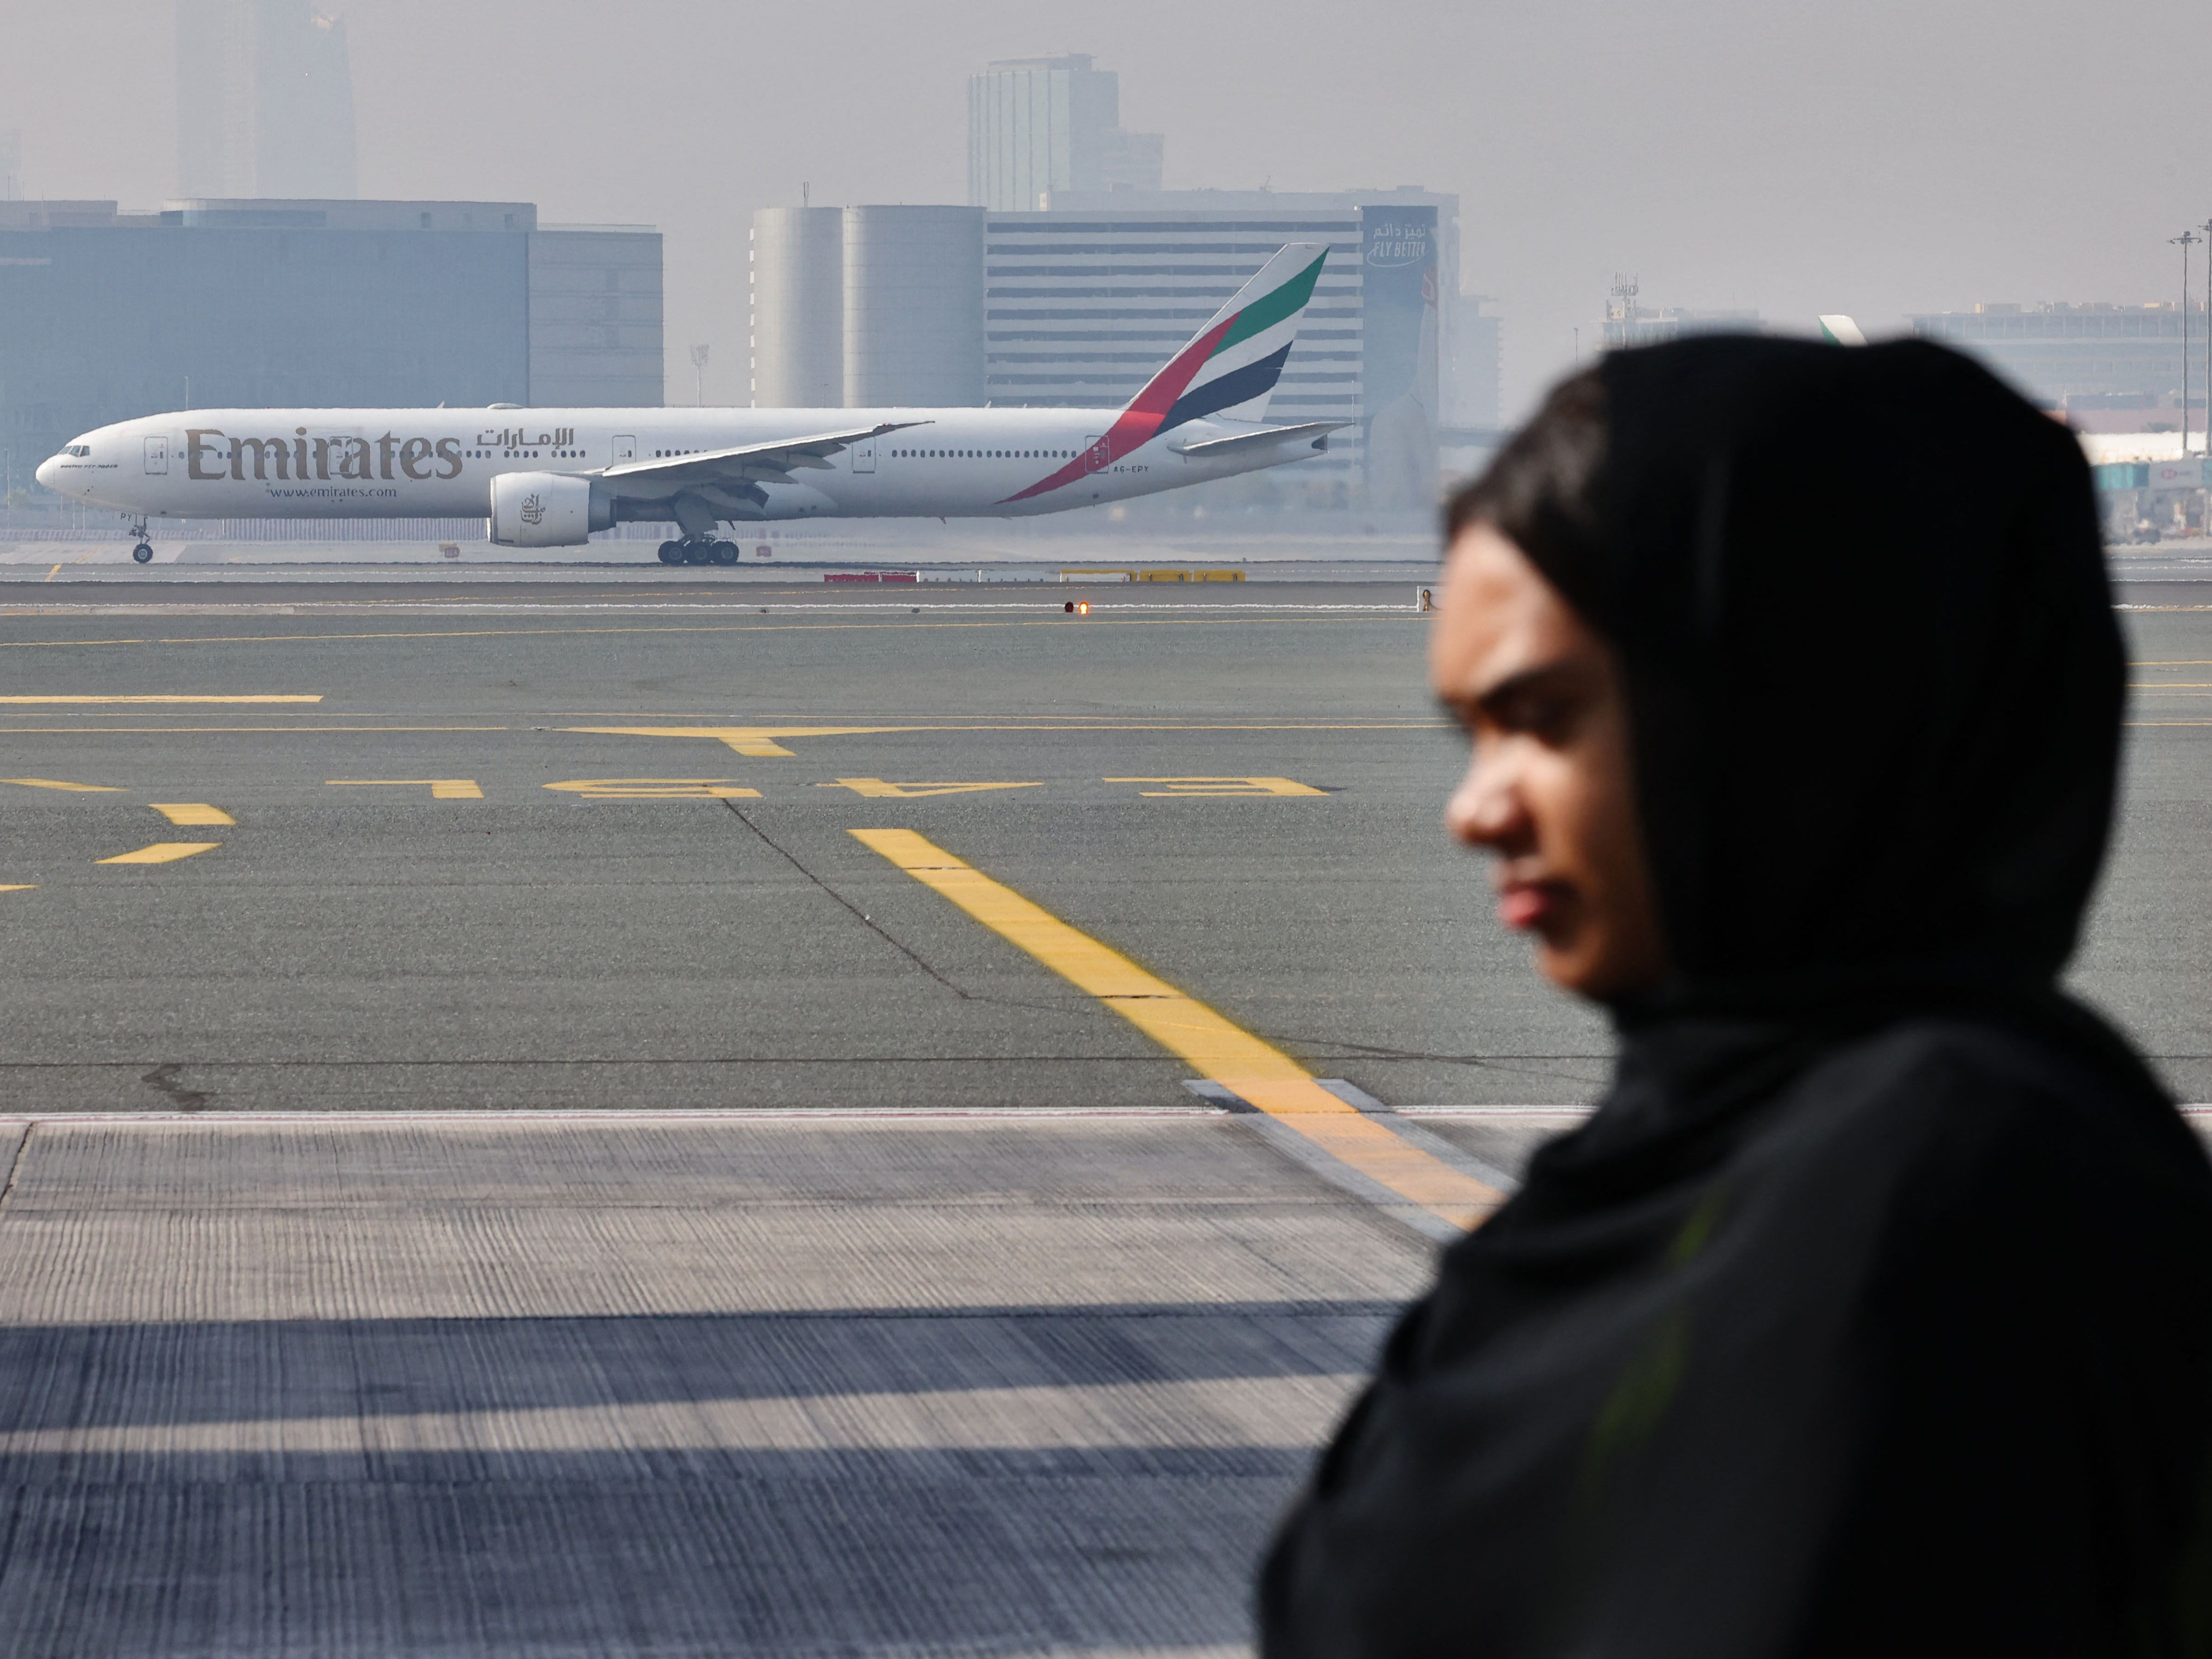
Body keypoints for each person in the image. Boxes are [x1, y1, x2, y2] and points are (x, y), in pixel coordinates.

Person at [1258, 336, 2212, 1657]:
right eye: (1470, 732)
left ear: (1784, 709)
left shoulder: (1943, 1201)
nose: (1475, 811)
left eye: (1543, 718)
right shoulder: (1698, 1159)